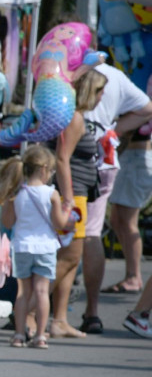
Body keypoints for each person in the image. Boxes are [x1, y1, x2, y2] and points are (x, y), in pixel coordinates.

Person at [79, 63, 152, 332]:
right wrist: (113, 130)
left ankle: (43, 310)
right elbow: (146, 108)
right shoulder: (113, 74)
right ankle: (94, 311)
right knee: (100, 228)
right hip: (108, 160)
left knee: (90, 231)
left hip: (100, 159)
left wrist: (113, 130)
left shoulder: (71, 69)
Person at [45, 70, 104, 339]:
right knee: (68, 257)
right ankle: (31, 312)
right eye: (100, 91)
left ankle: (58, 319)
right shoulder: (75, 118)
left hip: (77, 193)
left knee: (71, 259)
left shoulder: (75, 116)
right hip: (73, 195)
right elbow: (61, 158)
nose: (102, 97)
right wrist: (68, 198)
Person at [0, 145, 71, 349]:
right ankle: (40, 335)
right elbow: (59, 224)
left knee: (23, 293)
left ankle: (19, 335)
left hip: (22, 247)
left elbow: (8, 222)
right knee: (41, 292)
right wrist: (67, 211)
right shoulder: (51, 194)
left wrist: (8, 202)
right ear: (43, 169)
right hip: (45, 248)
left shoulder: (17, 194)